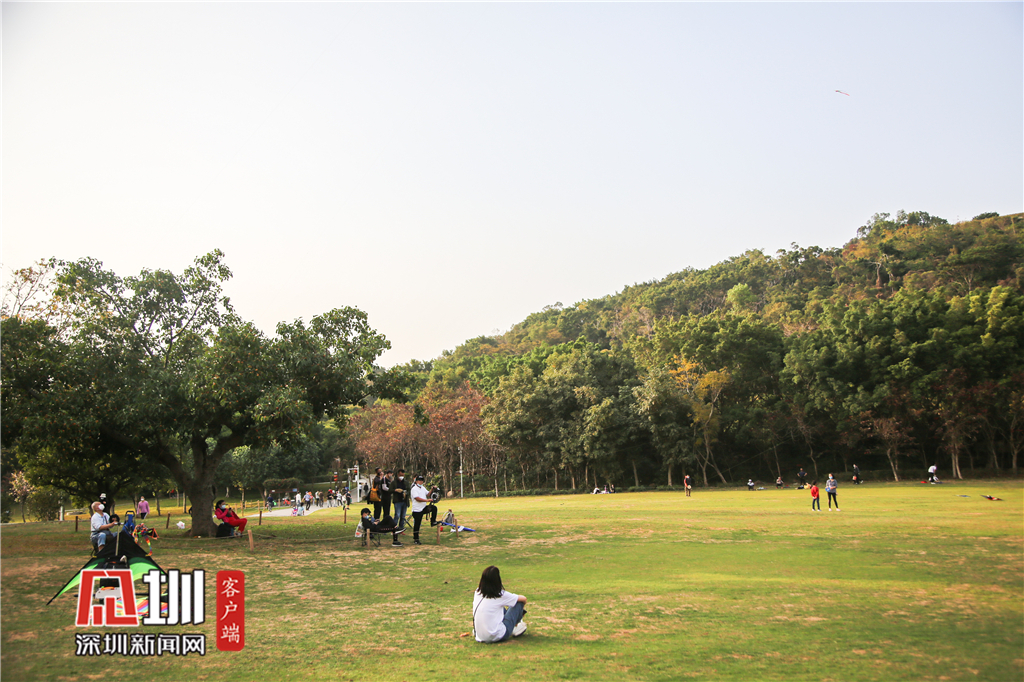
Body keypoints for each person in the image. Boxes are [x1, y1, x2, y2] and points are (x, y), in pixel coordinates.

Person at [473, 566, 527, 643]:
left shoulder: (477, 592)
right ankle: (515, 626)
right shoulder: (499, 595)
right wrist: (520, 612)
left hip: (479, 636)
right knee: (518, 603)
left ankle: (513, 625)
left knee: (498, 607)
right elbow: (524, 599)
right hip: (497, 635)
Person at [409, 475, 439, 545]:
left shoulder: (423, 488)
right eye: (419, 480)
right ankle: (416, 539)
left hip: (423, 507)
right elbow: (417, 498)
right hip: (417, 509)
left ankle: (433, 521)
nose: (421, 482)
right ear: (416, 481)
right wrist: (427, 500)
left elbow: (428, 494)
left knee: (434, 508)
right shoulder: (414, 489)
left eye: (422, 480)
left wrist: (432, 489)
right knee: (417, 524)